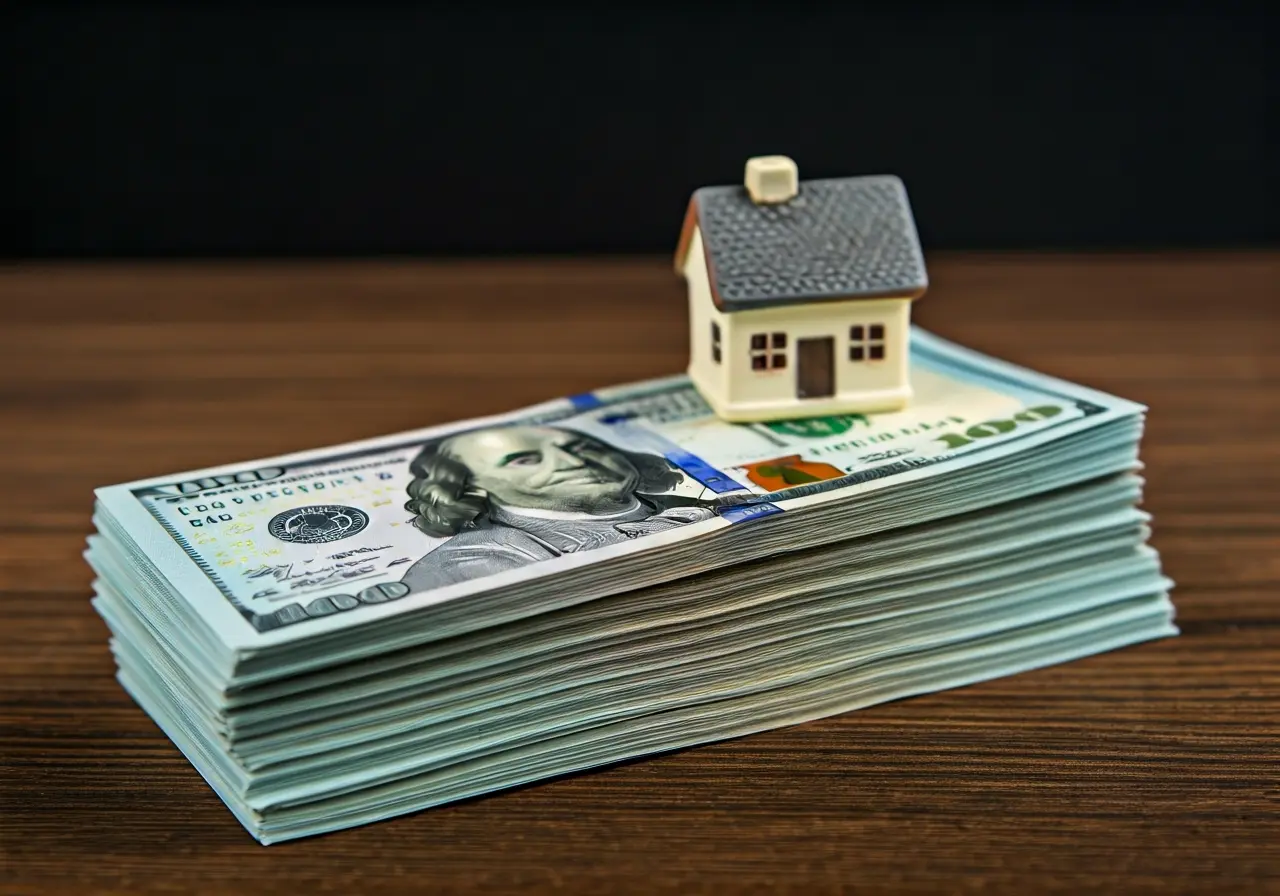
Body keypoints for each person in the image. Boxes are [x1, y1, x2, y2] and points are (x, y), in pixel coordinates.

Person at [398, 424, 719, 592]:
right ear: (473, 486)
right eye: (524, 460)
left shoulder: (702, 507)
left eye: (581, 447)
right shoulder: (471, 560)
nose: (573, 461)